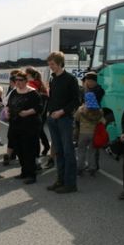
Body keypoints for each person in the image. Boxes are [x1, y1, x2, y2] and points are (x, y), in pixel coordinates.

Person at [45, 51, 80, 194]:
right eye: (49, 64)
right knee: (58, 151)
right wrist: (49, 112)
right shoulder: (53, 79)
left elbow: (76, 101)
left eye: (52, 64)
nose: (51, 67)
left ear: (60, 63)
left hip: (65, 120)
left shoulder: (71, 79)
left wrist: (62, 111)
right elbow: (52, 98)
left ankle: (70, 184)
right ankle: (60, 180)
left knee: (68, 152)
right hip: (52, 119)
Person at [7, 71, 43, 184]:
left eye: (20, 80)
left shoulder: (33, 93)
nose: (17, 82)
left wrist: (27, 112)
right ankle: (24, 171)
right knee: (19, 149)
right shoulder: (14, 92)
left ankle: (31, 175)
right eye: (16, 80)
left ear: (26, 81)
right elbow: (8, 105)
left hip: (30, 126)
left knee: (29, 150)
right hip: (15, 125)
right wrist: (7, 111)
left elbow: (39, 108)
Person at [74, 92, 103, 177]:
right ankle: (92, 169)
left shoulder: (81, 109)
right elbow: (101, 121)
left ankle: (79, 169)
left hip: (83, 133)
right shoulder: (99, 110)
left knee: (81, 151)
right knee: (92, 152)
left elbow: (76, 119)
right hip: (93, 134)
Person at [26, 66, 50, 157]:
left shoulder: (31, 85)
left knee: (36, 133)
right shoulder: (40, 83)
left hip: (36, 113)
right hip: (42, 112)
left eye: (26, 74)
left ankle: (36, 154)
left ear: (29, 75)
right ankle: (46, 146)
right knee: (39, 131)